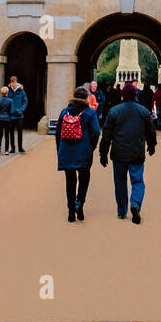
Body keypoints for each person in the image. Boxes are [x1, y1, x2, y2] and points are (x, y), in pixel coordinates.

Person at [99, 82, 156, 224]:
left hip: (118, 152)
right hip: (136, 151)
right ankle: (135, 204)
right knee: (137, 181)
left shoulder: (114, 111)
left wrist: (103, 153)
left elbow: (106, 135)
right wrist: (151, 145)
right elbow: (151, 131)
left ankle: (121, 210)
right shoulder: (143, 111)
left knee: (120, 182)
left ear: (123, 95)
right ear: (135, 94)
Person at [55, 85, 100, 223]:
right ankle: (79, 203)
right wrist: (91, 147)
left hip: (67, 150)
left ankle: (70, 211)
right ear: (86, 98)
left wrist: (59, 149)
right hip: (83, 150)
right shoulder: (90, 113)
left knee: (70, 180)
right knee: (84, 178)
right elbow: (96, 132)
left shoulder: (64, 112)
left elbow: (57, 133)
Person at [7, 75, 28, 154]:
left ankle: (20, 147)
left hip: (19, 115)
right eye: (12, 83)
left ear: (16, 82)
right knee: (11, 132)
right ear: (10, 83)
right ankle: (12, 148)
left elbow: (25, 101)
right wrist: (9, 110)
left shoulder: (21, 91)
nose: (13, 84)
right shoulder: (8, 91)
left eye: (14, 82)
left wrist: (21, 110)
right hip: (11, 115)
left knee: (20, 131)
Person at [0, 84, 14, 155]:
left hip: (0, 119)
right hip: (7, 119)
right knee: (6, 135)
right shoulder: (10, 101)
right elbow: (12, 111)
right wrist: (9, 115)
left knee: (0, 134)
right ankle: (6, 150)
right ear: (7, 92)